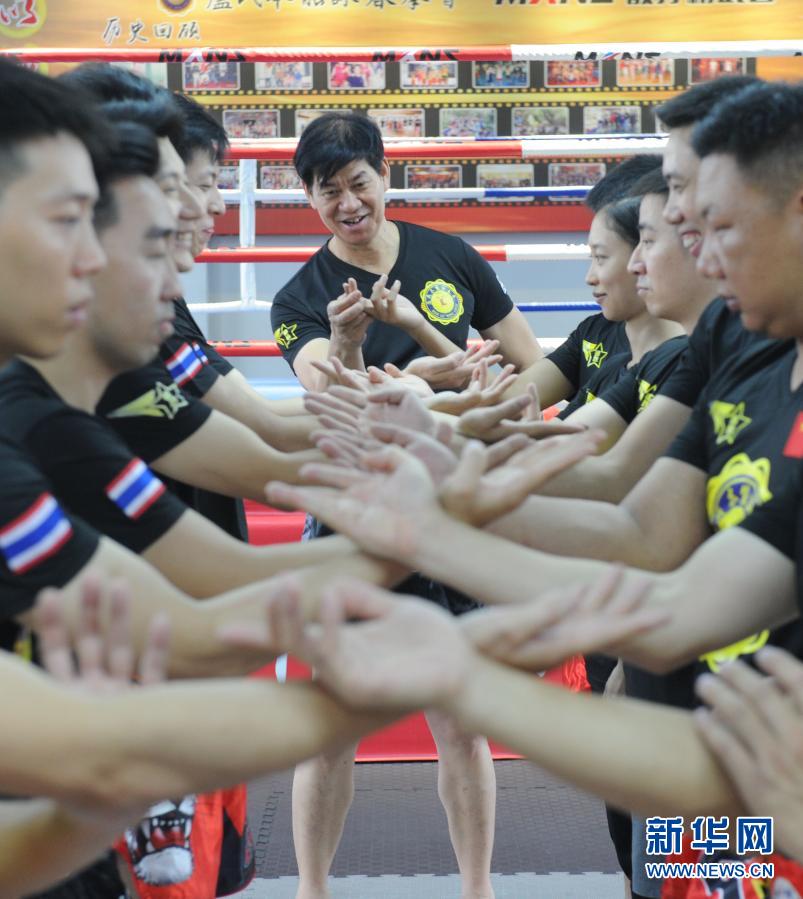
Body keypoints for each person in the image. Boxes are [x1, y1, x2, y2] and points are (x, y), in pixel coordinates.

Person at [271, 111, 542, 396]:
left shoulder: (453, 255)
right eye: (330, 192)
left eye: (359, 185)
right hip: (369, 426)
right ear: (309, 194)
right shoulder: (296, 301)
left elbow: (531, 365)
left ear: (383, 174)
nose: (349, 205)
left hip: (467, 424)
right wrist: (345, 341)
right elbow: (329, 397)